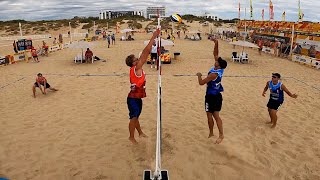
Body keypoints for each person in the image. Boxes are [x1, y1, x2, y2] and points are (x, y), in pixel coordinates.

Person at [125, 28, 160, 144]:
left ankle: (139, 133)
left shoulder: (135, 68)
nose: (138, 59)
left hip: (137, 97)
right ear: (134, 63)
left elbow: (144, 54)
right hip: (133, 99)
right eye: (136, 59)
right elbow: (146, 53)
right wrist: (153, 37)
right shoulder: (136, 68)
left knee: (136, 117)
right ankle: (131, 137)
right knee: (133, 118)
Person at [196, 38, 228, 144]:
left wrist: (199, 76)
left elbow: (201, 83)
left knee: (216, 116)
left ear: (219, 65)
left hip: (214, 97)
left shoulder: (214, 74)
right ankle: (211, 133)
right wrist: (216, 43)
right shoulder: (219, 67)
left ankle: (221, 135)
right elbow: (215, 53)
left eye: (217, 61)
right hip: (210, 95)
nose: (215, 60)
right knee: (209, 116)